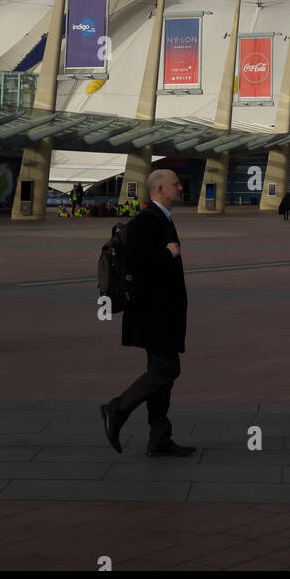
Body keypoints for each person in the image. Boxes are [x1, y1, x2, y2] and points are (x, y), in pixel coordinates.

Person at [100, 169, 194, 458]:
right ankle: (116, 409)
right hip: (153, 312)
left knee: (160, 370)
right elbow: (135, 263)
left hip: (161, 311)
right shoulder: (146, 220)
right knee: (166, 370)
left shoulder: (161, 218)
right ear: (160, 190)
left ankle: (159, 437)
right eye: (176, 184)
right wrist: (168, 254)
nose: (180, 187)